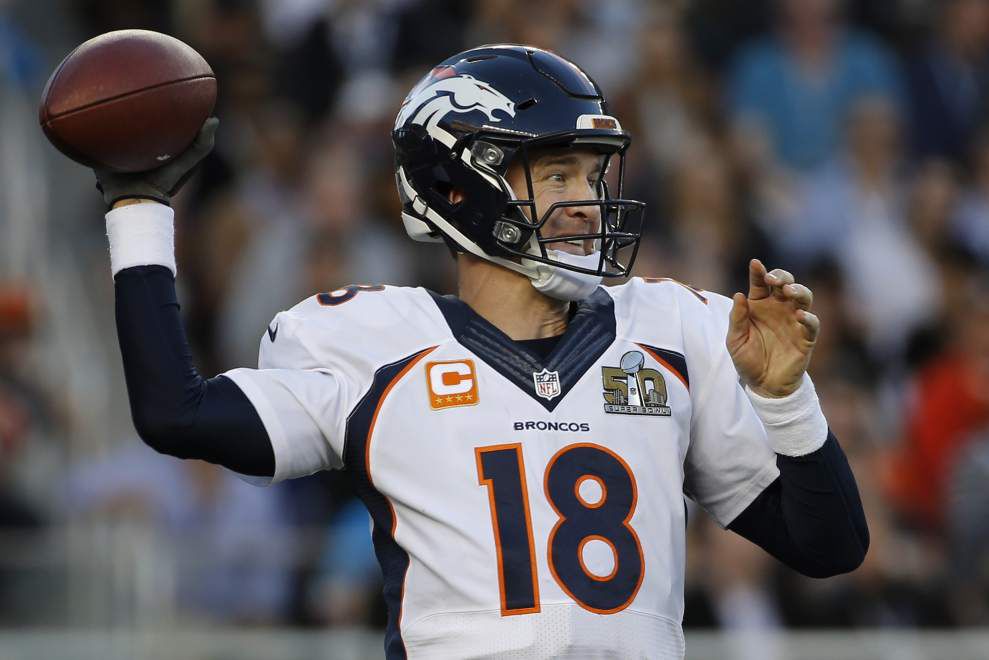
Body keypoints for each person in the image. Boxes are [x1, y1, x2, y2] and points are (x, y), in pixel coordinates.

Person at [89, 45, 867, 659]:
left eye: (592, 177)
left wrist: (786, 401)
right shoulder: (376, 346)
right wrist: (138, 208)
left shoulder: (669, 332)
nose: (587, 203)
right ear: (461, 189)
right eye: (557, 174)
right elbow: (176, 413)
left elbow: (829, 548)